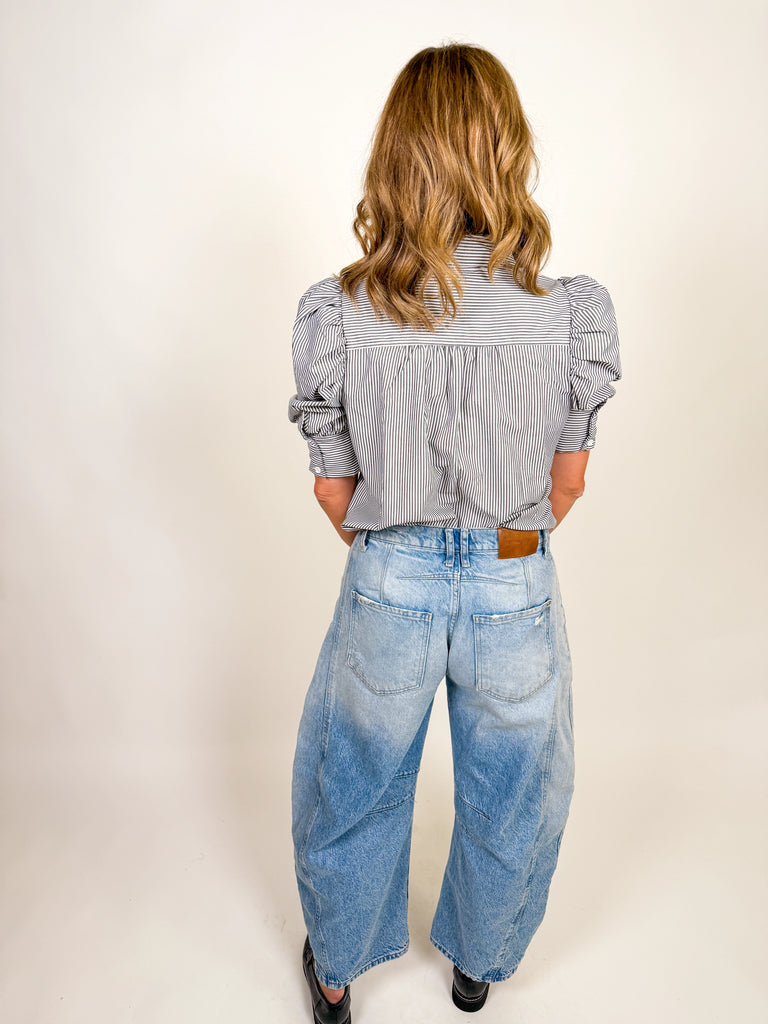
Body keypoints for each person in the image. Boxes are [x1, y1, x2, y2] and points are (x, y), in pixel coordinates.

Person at [287, 42, 622, 1024]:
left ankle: (338, 971)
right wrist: (497, 539)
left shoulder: (342, 312)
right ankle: (479, 962)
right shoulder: (565, 315)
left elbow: (333, 490)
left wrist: (403, 550)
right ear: (506, 150)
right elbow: (568, 484)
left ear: (396, 156)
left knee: (354, 779)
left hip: (388, 566)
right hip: (515, 571)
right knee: (515, 788)